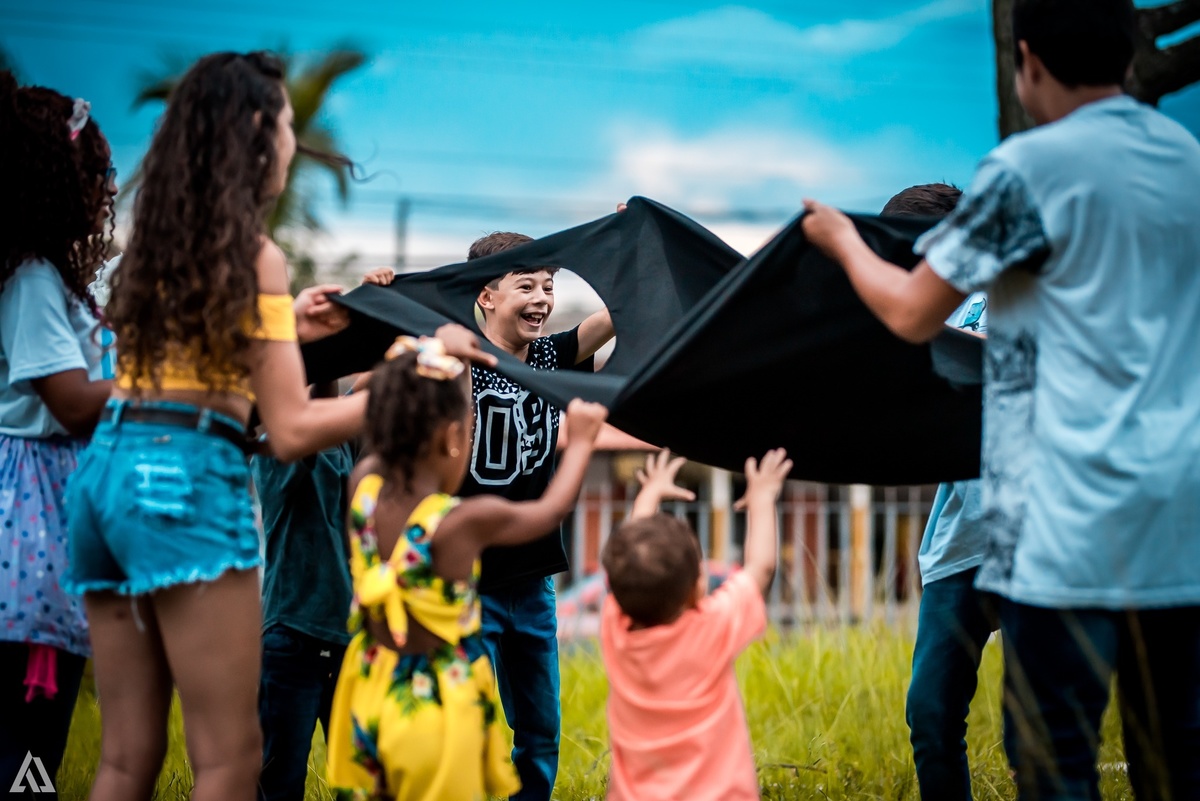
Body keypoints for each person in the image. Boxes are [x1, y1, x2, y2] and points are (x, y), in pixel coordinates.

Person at [61, 52, 492, 801]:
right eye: (288, 124)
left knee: (125, 758)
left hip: (105, 482)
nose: (294, 142)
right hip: (185, 482)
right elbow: (290, 428)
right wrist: (414, 370)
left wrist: (288, 321)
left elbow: (192, 366)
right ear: (256, 134)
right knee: (231, 758)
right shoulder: (253, 253)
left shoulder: (153, 250)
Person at [801, 0, 1200, 796]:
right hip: (1174, 523)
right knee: (1176, 760)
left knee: (1056, 760)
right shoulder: (1186, 158)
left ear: (1028, 62)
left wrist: (844, 241)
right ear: (1128, 52)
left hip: (1059, 525)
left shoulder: (1029, 170)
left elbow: (915, 309)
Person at [325, 336, 608, 801]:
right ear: (451, 438)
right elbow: (549, 511)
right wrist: (579, 444)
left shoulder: (364, 485)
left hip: (372, 690)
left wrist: (422, 362)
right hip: (436, 707)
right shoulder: (459, 523)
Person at [461, 230, 615, 800]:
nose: (542, 299)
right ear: (486, 295)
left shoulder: (553, 354)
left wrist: (622, 244)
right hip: (468, 579)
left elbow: (615, 314)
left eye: (549, 286)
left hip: (534, 581)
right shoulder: (460, 360)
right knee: (467, 724)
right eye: (525, 285)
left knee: (540, 731)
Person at [0, 71, 117, 797]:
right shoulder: (34, 277)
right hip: (30, 520)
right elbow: (73, 402)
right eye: (99, 172)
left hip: (54, 512)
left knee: (38, 723)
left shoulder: (55, 280)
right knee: (24, 728)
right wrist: (171, 381)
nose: (108, 190)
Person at [253, 266, 395, 801]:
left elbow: (358, 392)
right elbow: (312, 414)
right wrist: (324, 358)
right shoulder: (277, 445)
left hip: (349, 638)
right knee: (279, 780)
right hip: (290, 635)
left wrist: (376, 309)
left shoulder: (346, 449)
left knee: (359, 782)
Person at [882, 183, 997, 801]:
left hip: (1038, 539)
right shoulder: (904, 314)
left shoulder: (1011, 293)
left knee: (1047, 717)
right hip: (959, 547)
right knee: (929, 714)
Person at [600, 447, 792, 801]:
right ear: (695, 591)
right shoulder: (711, 628)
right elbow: (761, 567)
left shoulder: (616, 628)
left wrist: (650, 492)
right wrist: (763, 498)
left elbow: (627, 566)